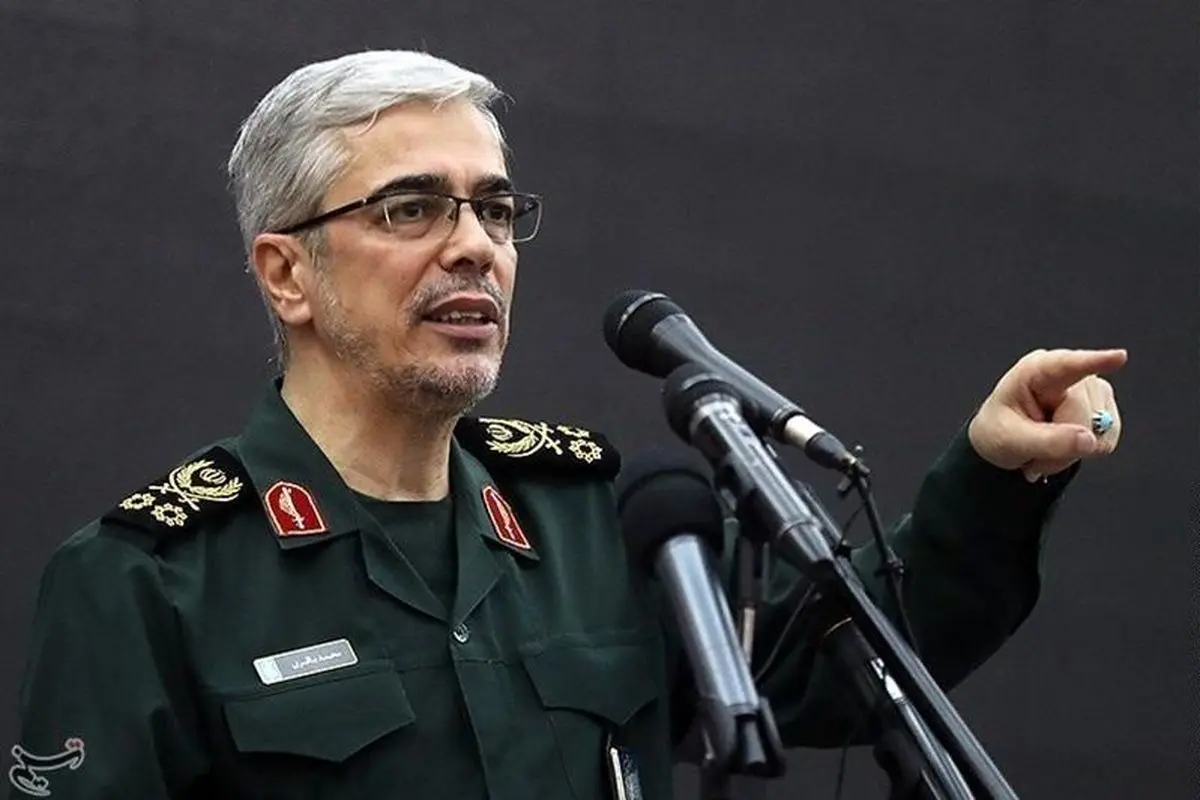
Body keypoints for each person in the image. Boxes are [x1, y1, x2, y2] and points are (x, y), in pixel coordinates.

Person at [8, 50, 1125, 800]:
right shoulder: (148, 581)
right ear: (287, 273)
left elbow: (849, 665)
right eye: (411, 207)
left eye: (495, 209)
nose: (474, 246)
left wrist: (993, 473)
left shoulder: (601, 527)